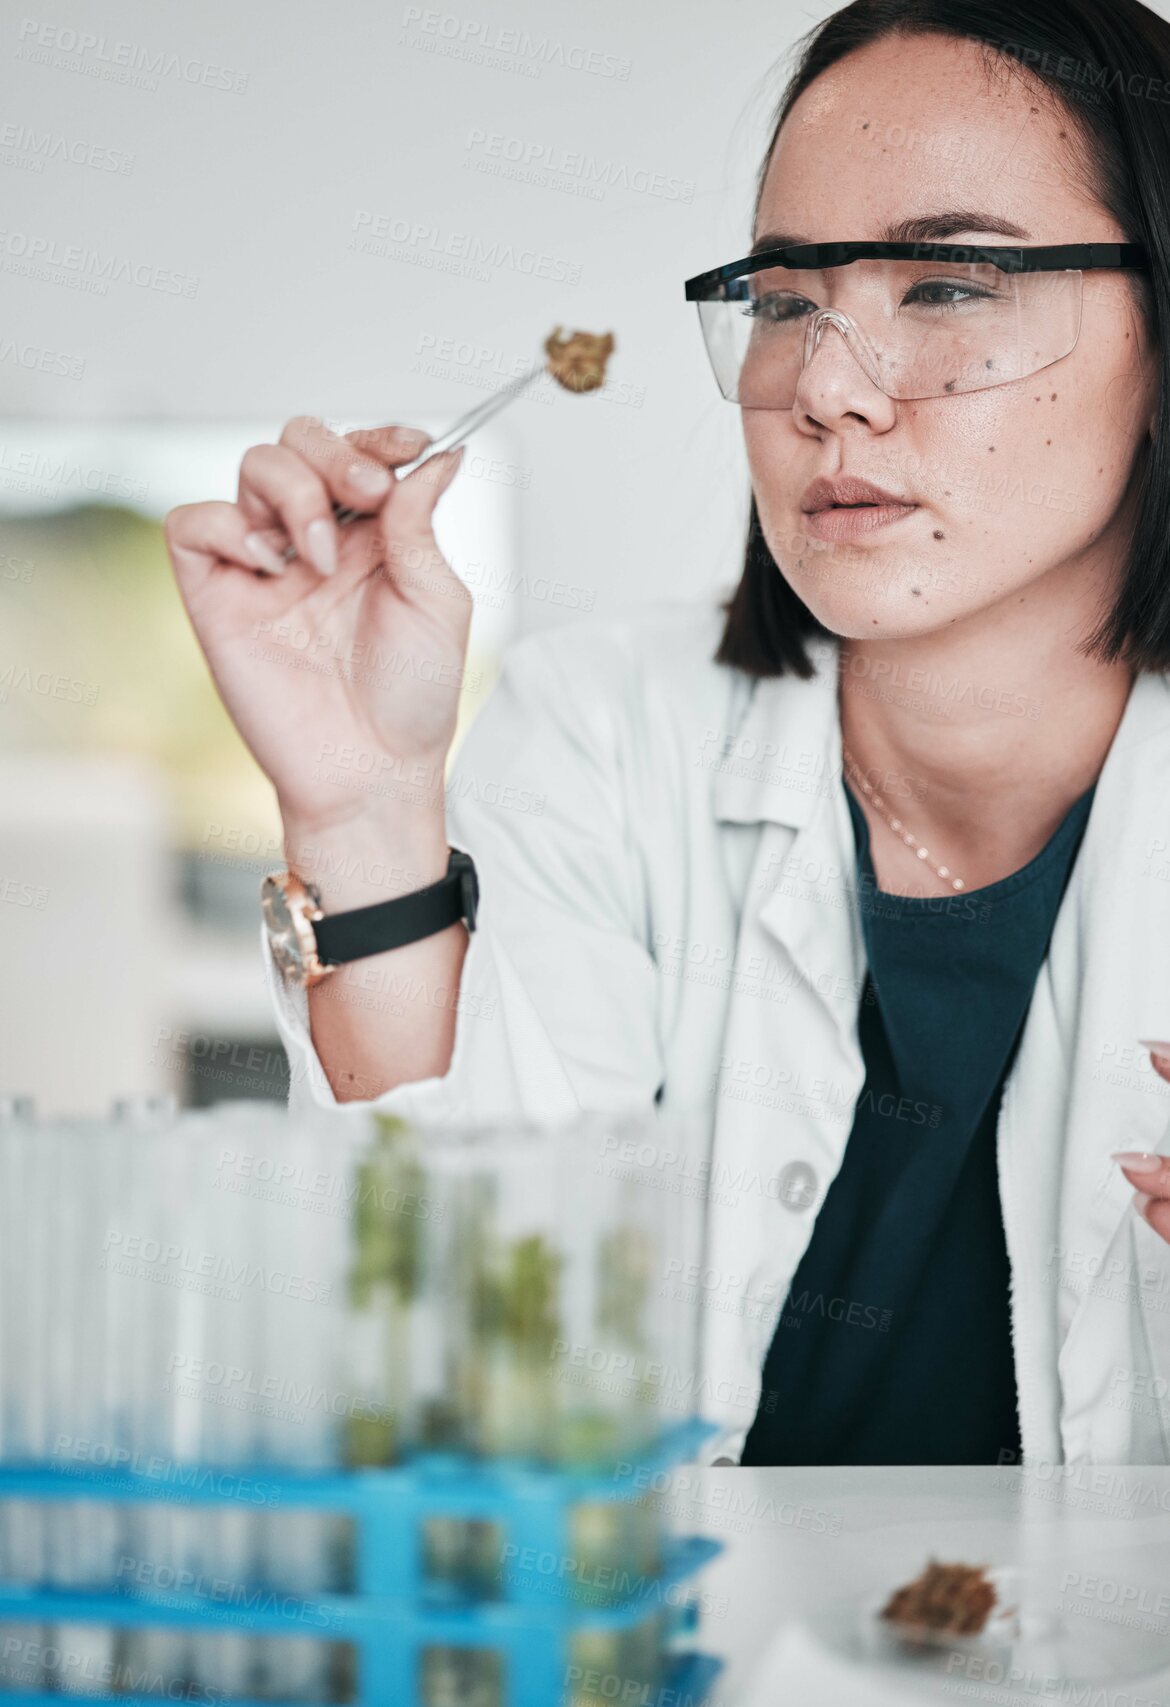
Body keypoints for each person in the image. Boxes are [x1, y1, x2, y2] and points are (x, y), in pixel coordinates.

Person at [165, 0, 1170, 1466]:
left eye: (950, 287)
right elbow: (461, 1385)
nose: (824, 387)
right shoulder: (605, 732)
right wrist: (365, 808)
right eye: (779, 301)